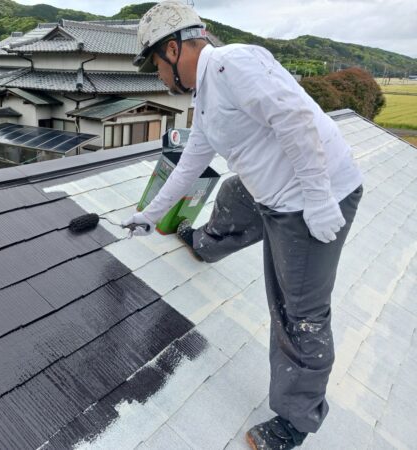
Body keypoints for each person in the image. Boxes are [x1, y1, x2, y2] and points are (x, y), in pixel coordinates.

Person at [122, 1, 363, 449]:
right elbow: (189, 164)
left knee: (298, 313)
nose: (157, 76)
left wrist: (318, 198)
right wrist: (149, 214)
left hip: (313, 199)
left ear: (174, 50)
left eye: (156, 64)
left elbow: (294, 120)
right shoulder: (208, 99)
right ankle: (206, 243)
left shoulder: (233, 63)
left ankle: (294, 422)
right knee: (235, 192)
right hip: (277, 190)